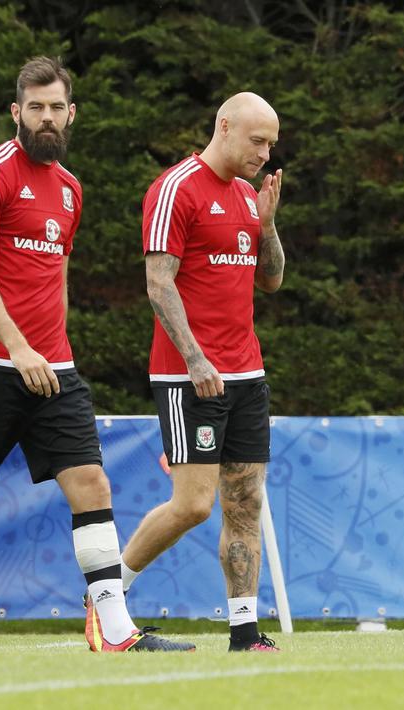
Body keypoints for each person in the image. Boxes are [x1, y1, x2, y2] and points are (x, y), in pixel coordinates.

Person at [0, 57, 193, 654]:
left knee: (92, 484)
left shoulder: (72, 189)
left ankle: (114, 630)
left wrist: (54, 350)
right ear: (16, 112)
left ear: (71, 114)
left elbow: (58, 279)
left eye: (56, 108)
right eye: (35, 107)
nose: (45, 118)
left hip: (54, 370)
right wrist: (19, 347)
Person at [117, 92, 285, 653]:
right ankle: (108, 599)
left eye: (270, 144)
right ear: (224, 126)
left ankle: (244, 631)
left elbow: (272, 281)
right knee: (194, 504)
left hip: (246, 373)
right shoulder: (175, 188)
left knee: (246, 503)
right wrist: (195, 358)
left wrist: (266, 226)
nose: (264, 153)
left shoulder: (245, 194)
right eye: (256, 140)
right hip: (190, 375)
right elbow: (158, 283)